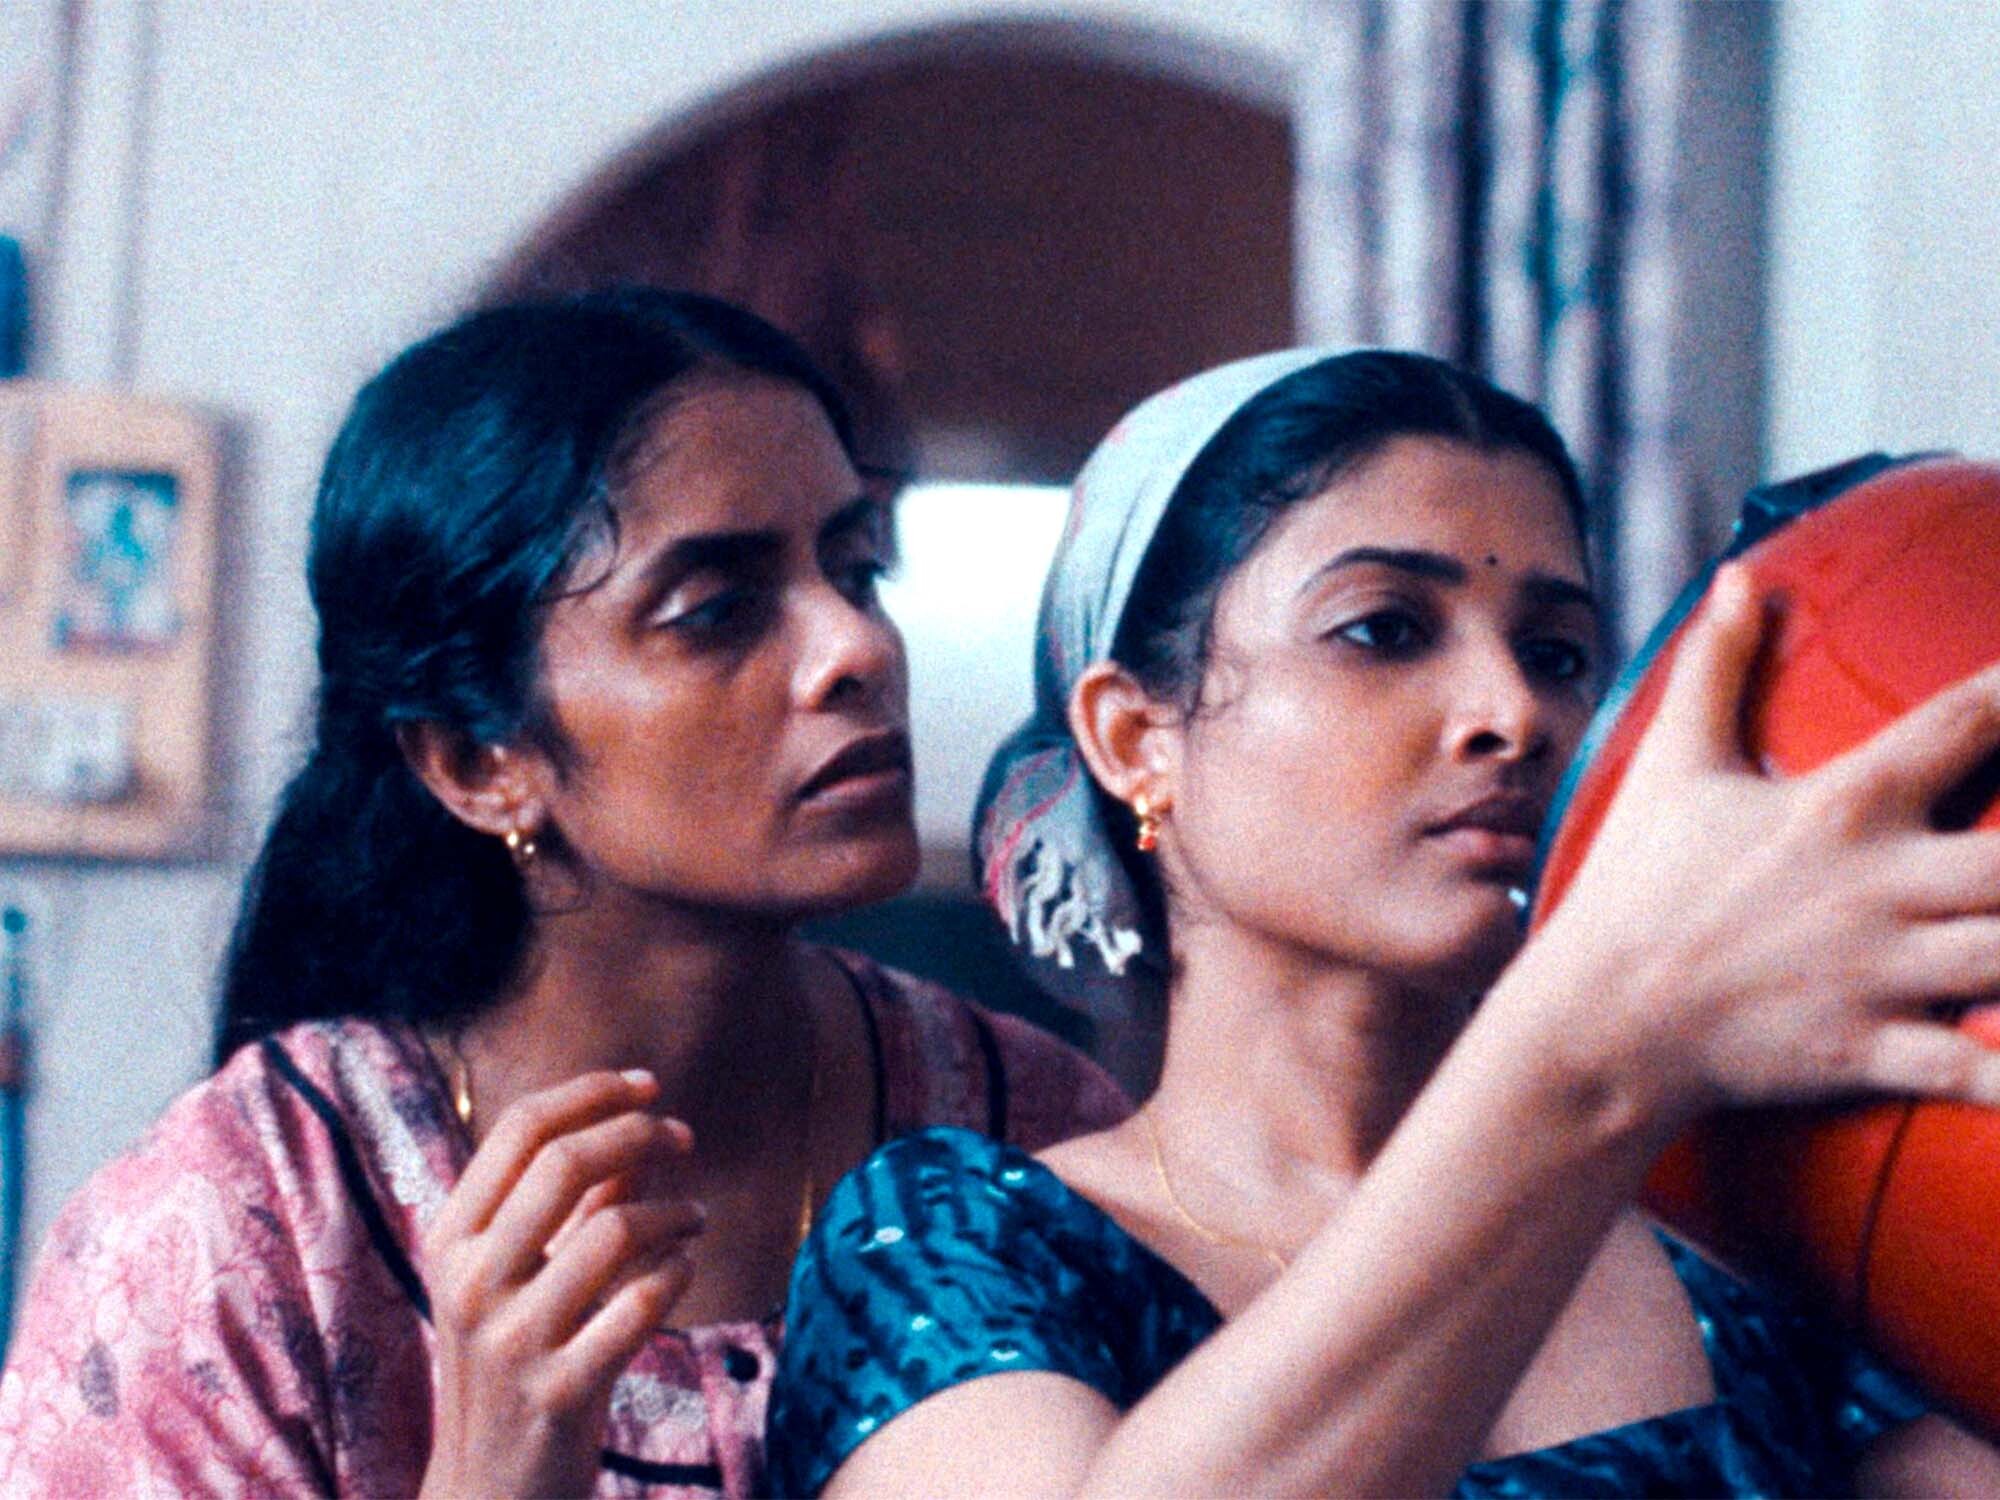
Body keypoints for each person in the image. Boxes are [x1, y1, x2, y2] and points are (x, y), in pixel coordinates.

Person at [767, 348, 2000, 1497]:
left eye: (1558, 653)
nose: (1509, 712)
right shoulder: (950, 1244)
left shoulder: (1749, 1259)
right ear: (1136, 739)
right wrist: (1584, 1046)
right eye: (1384, 631)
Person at [0, 289, 1128, 1498]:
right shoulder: (235, 1235)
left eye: (856, 568)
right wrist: (495, 1471)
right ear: (478, 763)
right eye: (716, 611)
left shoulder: (1040, 1132)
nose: (857, 647)